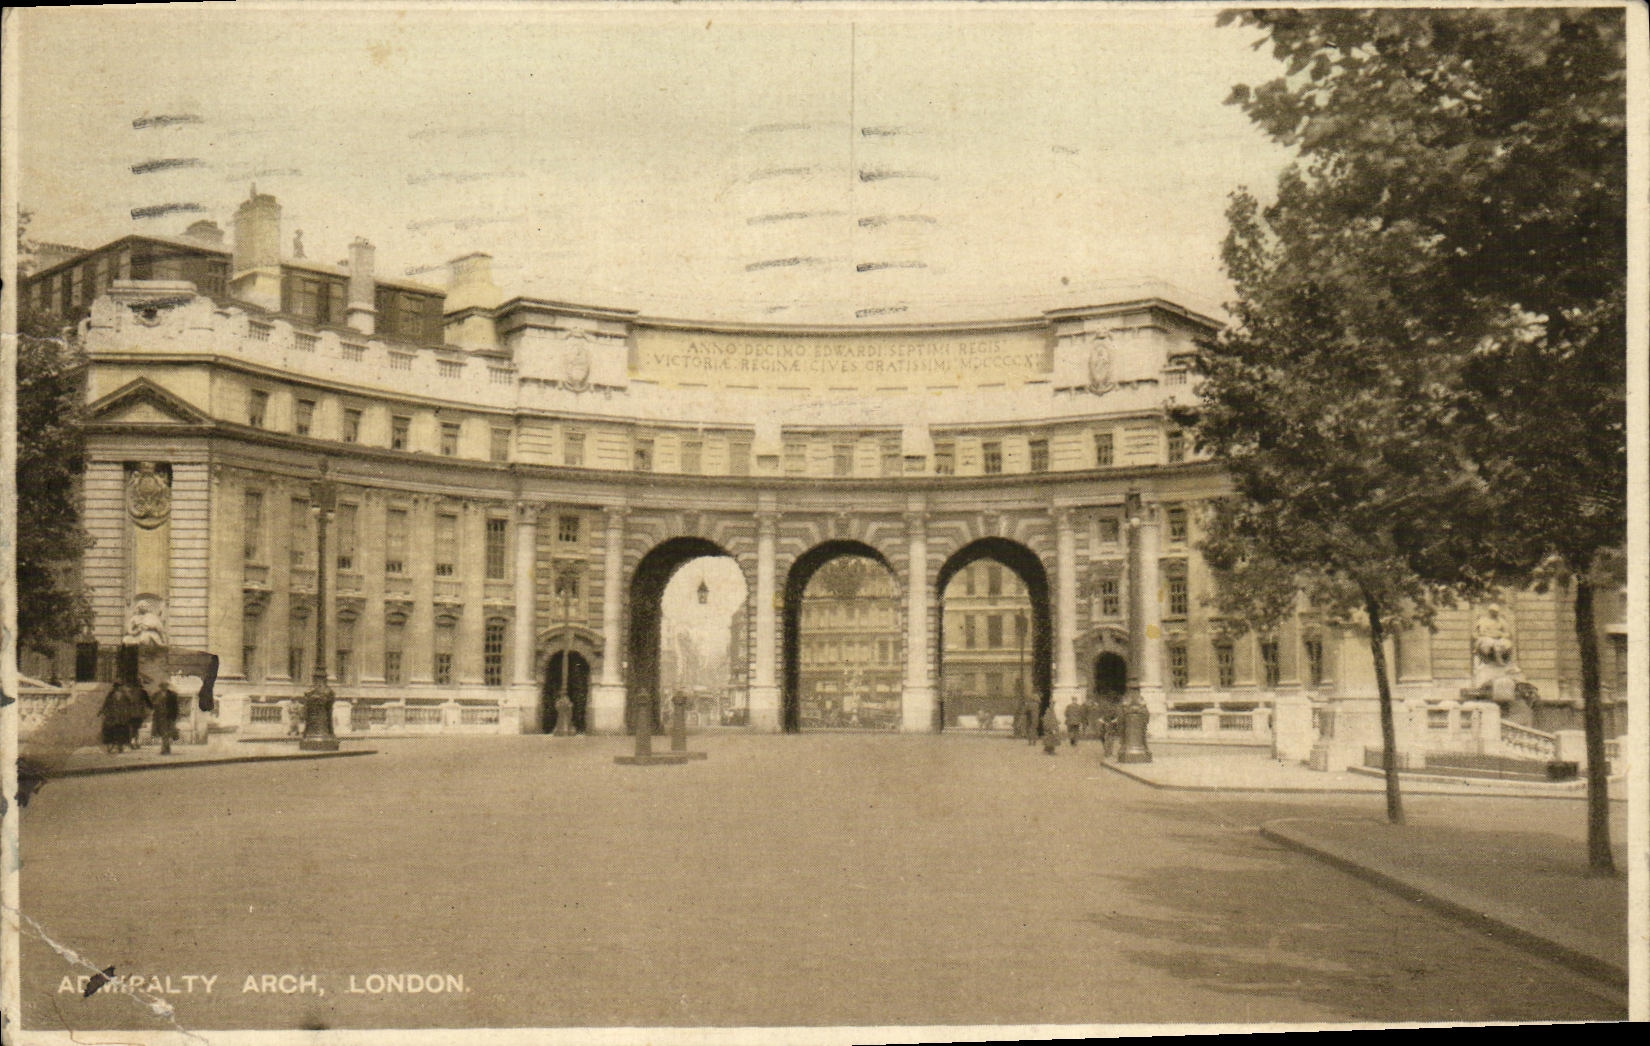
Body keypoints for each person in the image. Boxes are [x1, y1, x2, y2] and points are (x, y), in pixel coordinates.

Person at [152, 685, 180, 755]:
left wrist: (175, 716)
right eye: (162, 686)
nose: (163, 687)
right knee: (163, 733)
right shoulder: (156, 695)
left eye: (165, 686)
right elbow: (154, 706)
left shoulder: (172, 695)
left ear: (167, 686)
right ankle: (167, 748)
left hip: (169, 716)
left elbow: (175, 706)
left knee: (166, 733)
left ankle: (164, 749)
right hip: (159, 717)